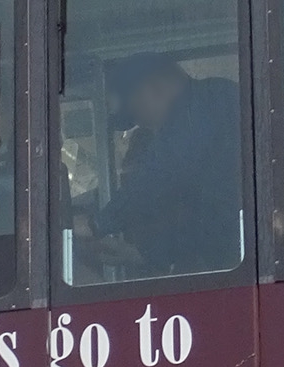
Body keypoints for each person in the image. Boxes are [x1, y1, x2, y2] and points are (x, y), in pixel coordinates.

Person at [91, 53, 241, 276]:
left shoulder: (205, 107)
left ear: (155, 88)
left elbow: (160, 174)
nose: (150, 131)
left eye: (140, 116)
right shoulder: (213, 104)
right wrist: (145, 253)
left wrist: (96, 224)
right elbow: (207, 223)